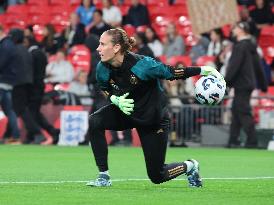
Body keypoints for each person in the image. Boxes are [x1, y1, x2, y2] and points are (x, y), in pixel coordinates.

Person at [86, 28, 224, 187]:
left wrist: (204, 70)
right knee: (94, 121)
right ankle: (103, 176)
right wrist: (115, 99)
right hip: (127, 112)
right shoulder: (102, 67)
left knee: (157, 175)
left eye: (102, 44)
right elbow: (104, 87)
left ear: (116, 48)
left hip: (153, 119)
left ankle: (190, 166)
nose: (98, 48)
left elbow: (171, 72)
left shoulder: (143, 65)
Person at [225, 22, 268, 148]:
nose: (233, 29)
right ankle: (233, 140)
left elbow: (234, 67)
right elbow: (258, 67)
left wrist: (225, 82)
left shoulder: (240, 46)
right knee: (237, 111)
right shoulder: (251, 46)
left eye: (236, 28)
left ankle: (252, 140)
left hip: (241, 84)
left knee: (243, 112)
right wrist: (263, 84)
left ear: (242, 31)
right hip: (246, 84)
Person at [0, 24, 21, 144]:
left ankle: (15, 136)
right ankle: (16, 136)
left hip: (2, 81)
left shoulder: (5, 45)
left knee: (9, 110)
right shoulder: (9, 45)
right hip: (8, 82)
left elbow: (1, 63)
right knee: (9, 110)